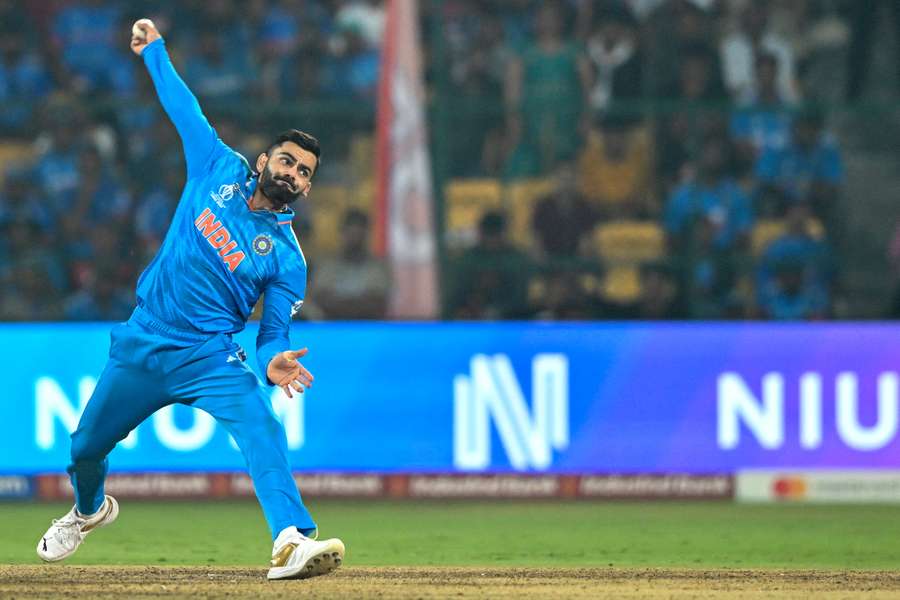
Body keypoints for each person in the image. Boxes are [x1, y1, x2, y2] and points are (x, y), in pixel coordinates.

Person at [35, 20, 345, 581]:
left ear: (306, 189)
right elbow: (184, 108)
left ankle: (292, 538)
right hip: (143, 340)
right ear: (263, 161)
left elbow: (274, 329)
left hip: (207, 356)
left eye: (304, 172)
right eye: (287, 161)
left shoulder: (287, 257)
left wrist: (274, 359)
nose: (293, 173)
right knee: (84, 449)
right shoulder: (216, 166)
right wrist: (154, 51)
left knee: (261, 425)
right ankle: (89, 511)